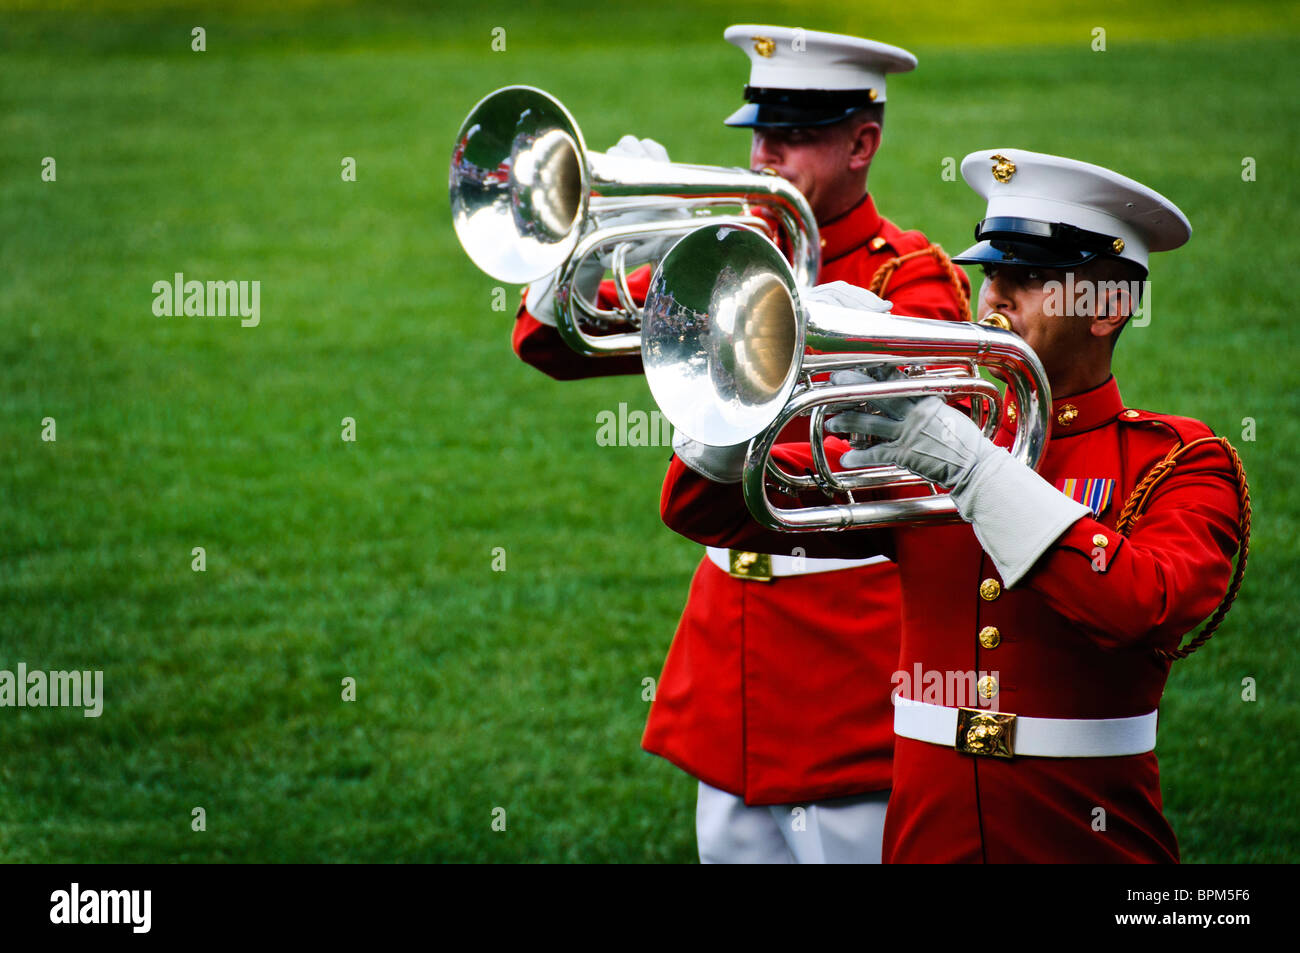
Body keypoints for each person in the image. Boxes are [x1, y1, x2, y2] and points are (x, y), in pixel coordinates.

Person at [658, 148, 1247, 863]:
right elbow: (704, 510)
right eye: (990, 273)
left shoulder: (1176, 462)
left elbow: (1140, 602)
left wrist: (968, 463)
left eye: (1027, 279)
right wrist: (760, 374)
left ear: (1108, 307)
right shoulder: (934, 436)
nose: (994, 296)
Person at [511, 26, 971, 863]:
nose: (766, 156)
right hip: (729, 672)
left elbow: (852, 467)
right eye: (759, 133)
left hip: (843, 671)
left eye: (793, 137)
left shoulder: (908, 276)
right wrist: (598, 233)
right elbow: (546, 344)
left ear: (861, 142)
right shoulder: (728, 254)